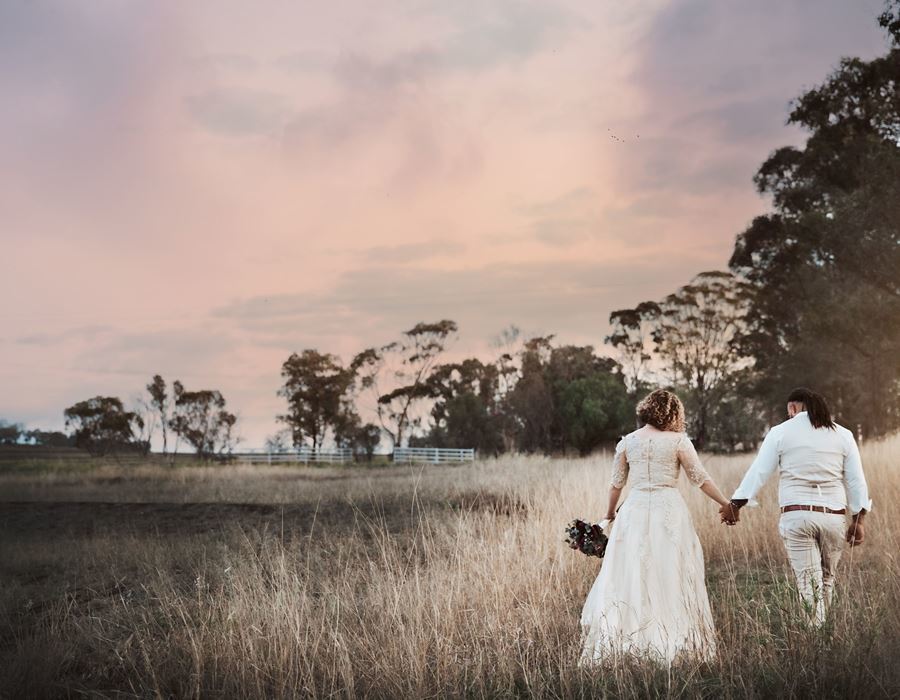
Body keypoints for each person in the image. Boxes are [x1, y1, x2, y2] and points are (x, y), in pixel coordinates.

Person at [579, 389, 732, 666]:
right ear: (674, 413)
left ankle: (628, 638)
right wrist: (726, 503)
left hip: (634, 511)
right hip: (668, 510)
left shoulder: (627, 442)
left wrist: (609, 514)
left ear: (646, 411)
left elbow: (616, 484)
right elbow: (700, 478)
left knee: (630, 573)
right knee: (668, 570)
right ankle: (670, 638)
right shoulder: (678, 441)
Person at [721, 387, 871, 627]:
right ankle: (824, 638)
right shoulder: (843, 434)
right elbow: (856, 480)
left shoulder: (780, 432)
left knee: (808, 582)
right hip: (833, 517)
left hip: (797, 515)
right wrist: (859, 521)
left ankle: (817, 639)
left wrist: (736, 503)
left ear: (792, 407)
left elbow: (760, 471)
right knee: (826, 580)